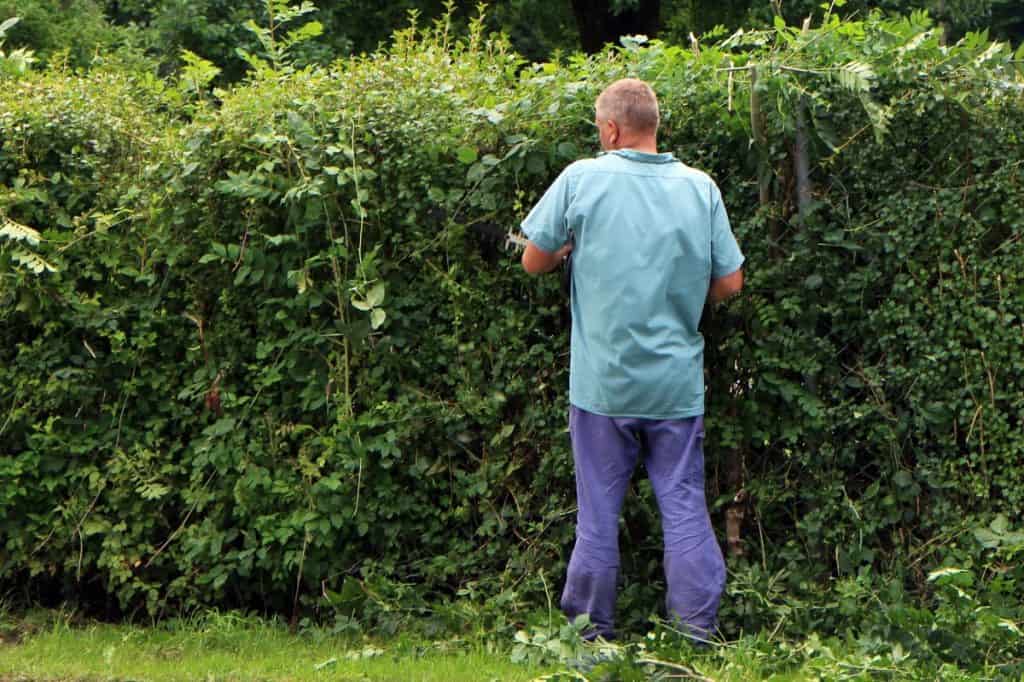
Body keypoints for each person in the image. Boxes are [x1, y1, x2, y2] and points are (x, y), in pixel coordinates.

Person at [519, 78, 744, 641]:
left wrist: (567, 250)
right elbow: (730, 282)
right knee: (685, 508)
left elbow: (532, 260)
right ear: (655, 126)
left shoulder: (581, 179)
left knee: (597, 516)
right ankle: (695, 631)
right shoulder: (700, 188)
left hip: (601, 389)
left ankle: (590, 637)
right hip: (674, 387)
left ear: (611, 129)